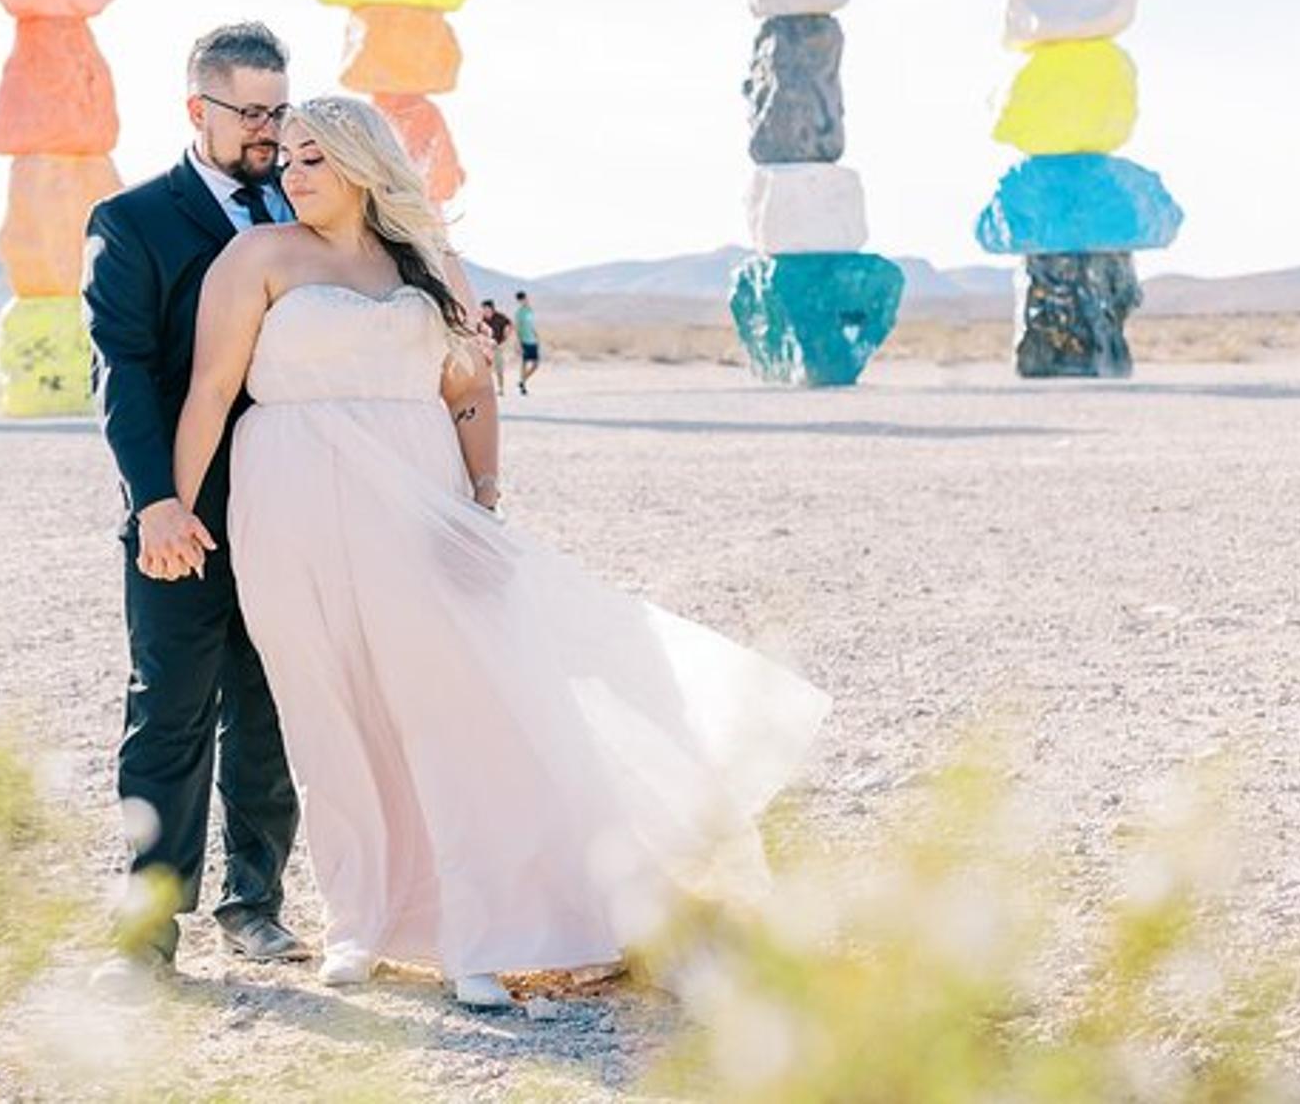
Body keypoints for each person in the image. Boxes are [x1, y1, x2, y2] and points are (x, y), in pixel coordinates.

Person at [163, 96, 829, 1010]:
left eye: (315, 158)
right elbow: (209, 390)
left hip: (418, 495)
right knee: (326, 710)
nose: (293, 173)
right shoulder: (256, 258)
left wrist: (483, 502)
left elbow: (471, 392)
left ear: (363, 164)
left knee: (450, 705)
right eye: (290, 159)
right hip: (288, 500)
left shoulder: (428, 264)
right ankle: (360, 921)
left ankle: (474, 930)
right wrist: (171, 509)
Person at [81, 22, 306, 982]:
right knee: (169, 710)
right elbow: (122, 372)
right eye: (249, 111)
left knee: (271, 710)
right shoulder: (132, 221)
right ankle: (147, 933)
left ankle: (254, 902)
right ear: (195, 110)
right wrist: (156, 503)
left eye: (278, 109)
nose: (267, 130)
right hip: (185, 513)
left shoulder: (313, 204)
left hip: (298, 504)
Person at [479, 298, 513, 396]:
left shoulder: (500, 317)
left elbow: (509, 325)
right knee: (485, 369)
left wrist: (506, 338)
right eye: (483, 309)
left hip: (497, 346)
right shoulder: (482, 319)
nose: (485, 311)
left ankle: (501, 388)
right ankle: (485, 390)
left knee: (499, 368)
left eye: (487, 309)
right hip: (485, 347)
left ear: (492, 309)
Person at [514, 290, 541, 395]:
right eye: (522, 299)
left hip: (533, 340)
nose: (525, 300)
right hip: (524, 340)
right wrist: (519, 343)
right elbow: (518, 328)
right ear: (519, 301)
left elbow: (531, 325)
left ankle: (522, 381)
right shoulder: (519, 313)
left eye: (525, 298)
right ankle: (523, 386)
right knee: (524, 363)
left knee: (535, 364)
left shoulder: (530, 310)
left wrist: (536, 335)